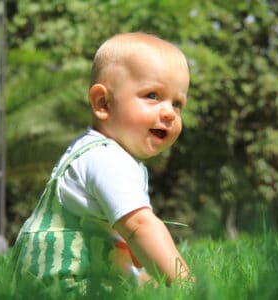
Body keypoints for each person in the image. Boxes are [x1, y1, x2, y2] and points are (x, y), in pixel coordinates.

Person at [13, 32, 191, 293]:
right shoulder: (107, 160)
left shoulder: (95, 152)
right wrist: (186, 284)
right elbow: (141, 227)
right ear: (103, 103)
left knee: (145, 283)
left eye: (177, 103)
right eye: (152, 95)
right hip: (67, 284)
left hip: (57, 280)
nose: (168, 112)